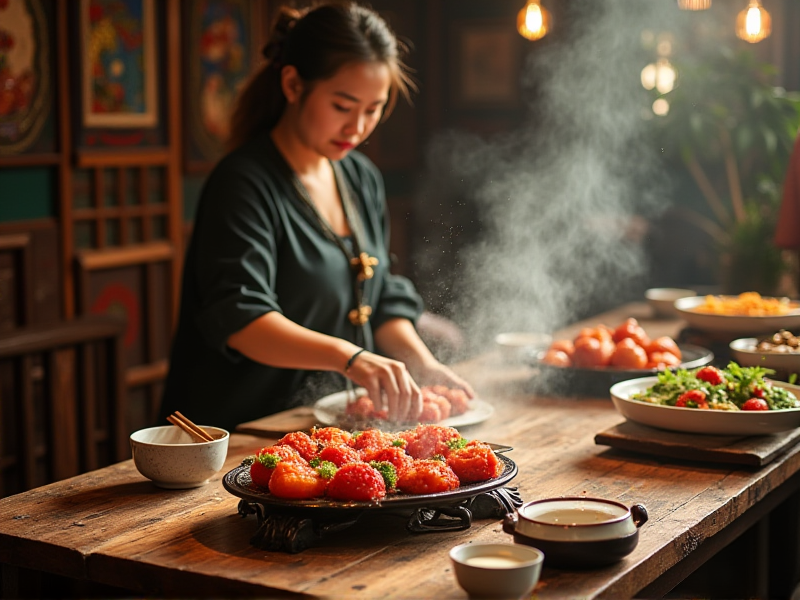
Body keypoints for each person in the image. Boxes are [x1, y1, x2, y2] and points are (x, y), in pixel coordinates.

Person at [158, 2, 473, 431]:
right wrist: (352, 358)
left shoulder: (360, 177)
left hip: (328, 426)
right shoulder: (243, 183)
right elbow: (242, 318)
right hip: (241, 431)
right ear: (292, 83)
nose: (357, 127)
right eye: (342, 106)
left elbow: (380, 296)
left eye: (373, 109)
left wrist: (421, 364)